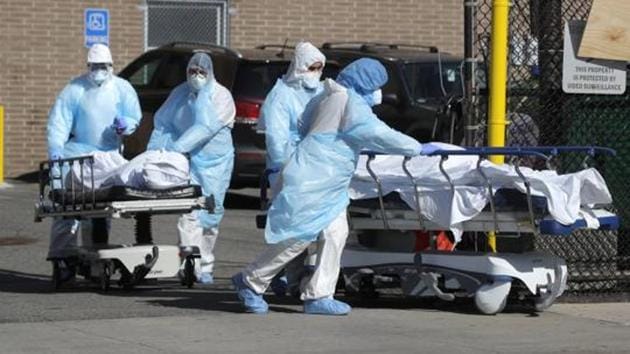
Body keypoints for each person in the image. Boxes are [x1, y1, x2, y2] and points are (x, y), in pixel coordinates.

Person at [232, 58, 440, 315]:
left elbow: (306, 125)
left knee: (335, 233)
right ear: (365, 83)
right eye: (377, 86)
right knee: (299, 237)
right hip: (315, 178)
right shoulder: (348, 102)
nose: (380, 93)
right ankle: (250, 281)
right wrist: (417, 147)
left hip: (328, 181)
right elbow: (376, 133)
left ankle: (318, 294)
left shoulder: (327, 95)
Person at [46, 43, 142, 281]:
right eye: (95, 66)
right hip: (76, 156)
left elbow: (134, 116)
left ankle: (96, 263)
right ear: (88, 65)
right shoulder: (75, 89)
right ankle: (63, 259)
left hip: (108, 157)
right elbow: (59, 122)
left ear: (111, 66)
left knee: (101, 211)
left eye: (103, 66)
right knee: (67, 210)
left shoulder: (122, 88)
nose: (99, 70)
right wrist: (56, 150)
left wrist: (126, 124)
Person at [147, 52, 235, 284]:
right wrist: (154, 154)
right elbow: (163, 123)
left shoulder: (221, 96)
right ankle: (191, 264)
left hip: (215, 164)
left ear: (210, 73)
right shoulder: (180, 94)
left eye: (202, 72)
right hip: (186, 163)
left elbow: (206, 127)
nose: (196, 76)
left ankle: (206, 266)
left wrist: (177, 147)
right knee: (189, 215)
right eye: (192, 71)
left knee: (211, 217)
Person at [257, 41, 326, 296]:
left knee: (313, 227)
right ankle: (288, 278)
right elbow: (276, 140)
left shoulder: (320, 92)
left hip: (314, 167)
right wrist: (286, 169)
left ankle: (294, 278)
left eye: (319, 68)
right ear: (299, 66)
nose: (315, 73)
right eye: (311, 67)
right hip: (287, 168)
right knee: (292, 228)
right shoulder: (281, 96)